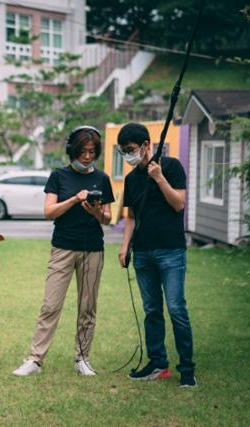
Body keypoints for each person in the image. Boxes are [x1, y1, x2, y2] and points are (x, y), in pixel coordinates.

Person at [12, 126, 114, 377]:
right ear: (72, 151)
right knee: (51, 305)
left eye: (92, 152)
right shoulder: (59, 176)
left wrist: (95, 212)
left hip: (93, 248)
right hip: (63, 248)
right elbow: (49, 212)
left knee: (87, 307)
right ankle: (35, 360)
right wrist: (74, 200)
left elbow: (109, 218)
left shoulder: (102, 178)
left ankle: (83, 358)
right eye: (82, 151)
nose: (87, 156)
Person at [117, 122, 196, 388]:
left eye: (130, 150)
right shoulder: (130, 179)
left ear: (146, 145)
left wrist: (159, 177)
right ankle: (158, 363)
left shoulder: (171, 167)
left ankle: (186, 369)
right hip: (143, 252)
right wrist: (124, 246)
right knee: (152, 309)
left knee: (176, 308)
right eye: (123, 152)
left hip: (171, 250)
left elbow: (179, 204)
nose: (128, 155)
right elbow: (131, 218)